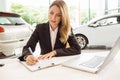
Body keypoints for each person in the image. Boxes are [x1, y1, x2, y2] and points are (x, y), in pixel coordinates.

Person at [18, 0, 81, 65]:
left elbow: (77, 49)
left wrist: (55, 52)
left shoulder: (67, 29)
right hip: (44, 63)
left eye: (58, 15)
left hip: (60, 64)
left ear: (63, 17)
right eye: (51, 13)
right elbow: (27, 48)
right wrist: (27, 56)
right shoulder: (40, 28)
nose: (53, 18)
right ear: (48, 12)